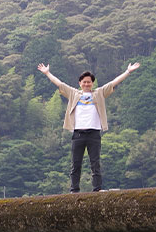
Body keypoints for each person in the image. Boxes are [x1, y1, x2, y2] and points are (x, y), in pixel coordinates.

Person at [37, 62, 141, 192]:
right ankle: (74, 190)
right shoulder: (74, 94)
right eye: (84, 82)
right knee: (76, 164)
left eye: (89, 82)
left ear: (92, 83)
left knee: (95, 163)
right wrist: (47, 73)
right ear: (80, 83)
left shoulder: (99, 93)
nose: (87, 84)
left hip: (94, 133)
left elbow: (114, 83)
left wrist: (128, 71)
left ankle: (97, 189)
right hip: (78, 134)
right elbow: (59, 84)